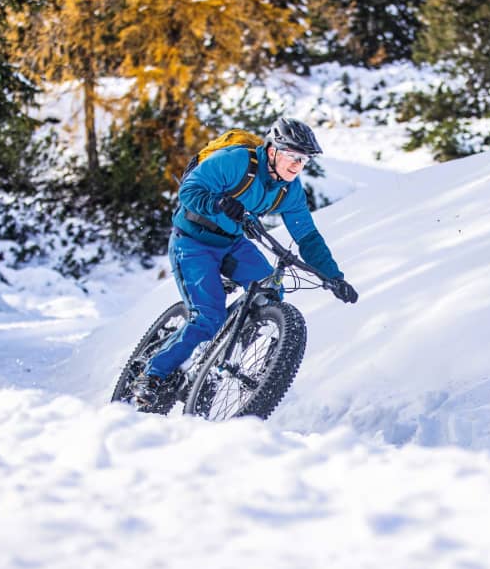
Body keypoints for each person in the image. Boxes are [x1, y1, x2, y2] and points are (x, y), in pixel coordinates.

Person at [134, 117, 358, 403]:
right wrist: (218, 203)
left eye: (303, 160)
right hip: (192, 241)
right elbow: (189, 191)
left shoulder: (289, 190)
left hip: (232, 244)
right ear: (273, 150)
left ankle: (221, 361)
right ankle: (153, 373)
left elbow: (308, 237)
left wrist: (333, 277)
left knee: (271, 291)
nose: (296, 166)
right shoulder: (237, 161)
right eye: (291, 156)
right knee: (208, 316)